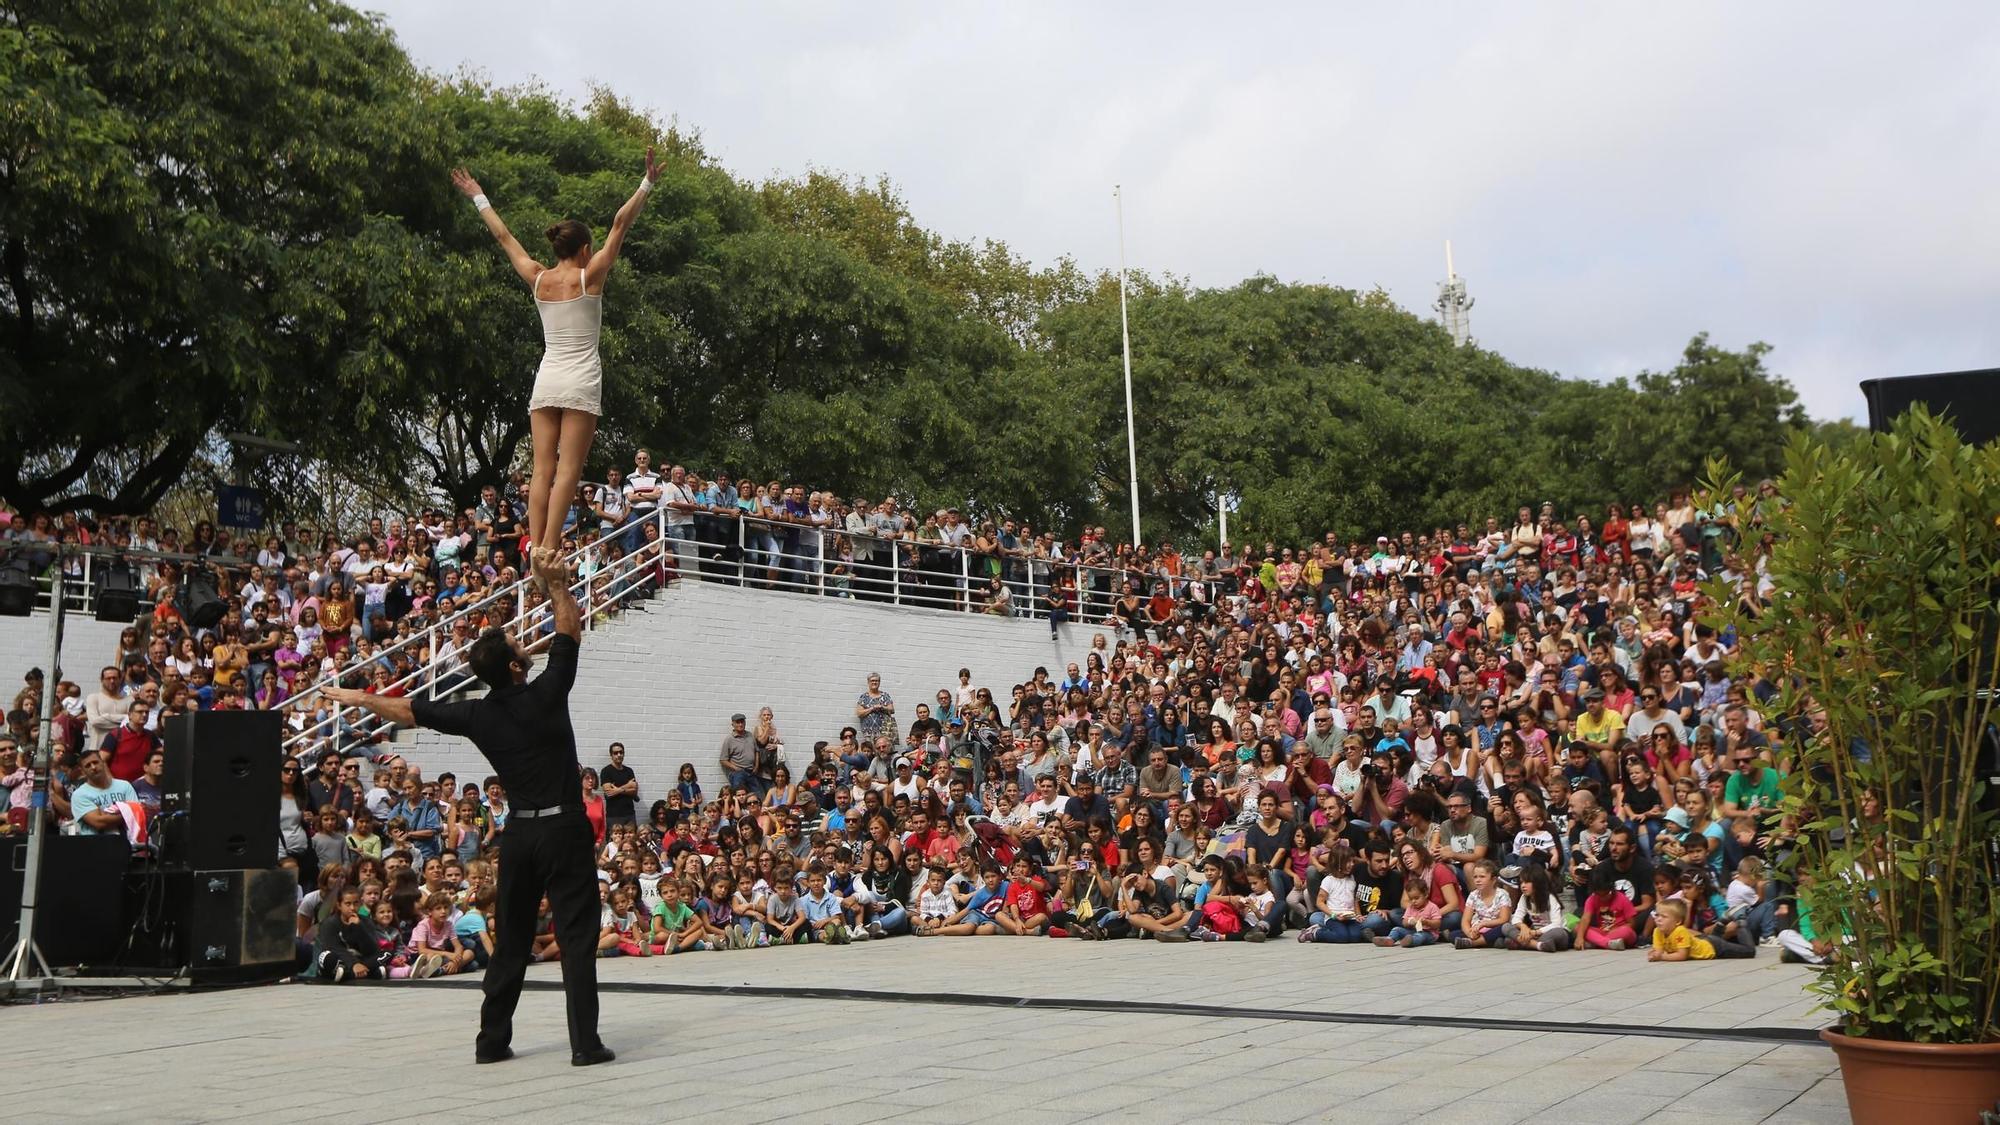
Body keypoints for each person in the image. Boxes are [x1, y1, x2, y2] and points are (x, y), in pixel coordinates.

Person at [325, 549, 612, 1067]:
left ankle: (491, 1042)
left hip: (520, 836)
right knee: (576, 937)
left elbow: (408, 710)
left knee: (511, 941)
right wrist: (558, 584)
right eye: (516, 644)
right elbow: (569, 631)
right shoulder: (548, 691)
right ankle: (584, 1045)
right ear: (512, 664)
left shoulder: (476, 715)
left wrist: (359, 699)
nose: (523, 644)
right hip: (565, 827)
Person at [450, 149, 661, 559]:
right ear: (584, 248)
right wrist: (646, 183)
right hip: (581, 377)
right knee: (569, 470)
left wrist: (479, 196)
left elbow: (503, 237)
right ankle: (547, 545)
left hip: (547, 376)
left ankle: (533, 544)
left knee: (542, 468)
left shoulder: (538, 277)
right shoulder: (590, 276)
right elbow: (621, 223)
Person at [599, 742, 637, 827]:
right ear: (611, 755)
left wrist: (617, 790)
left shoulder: (629, 771)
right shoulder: (606, 771)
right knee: (615, 840)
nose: (619, 755)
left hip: (629, 814)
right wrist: (627, 786)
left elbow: (634, 791)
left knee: (631, 840)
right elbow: (609, 793)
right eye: (615, 753)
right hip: (614, 816)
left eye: (621, 752)